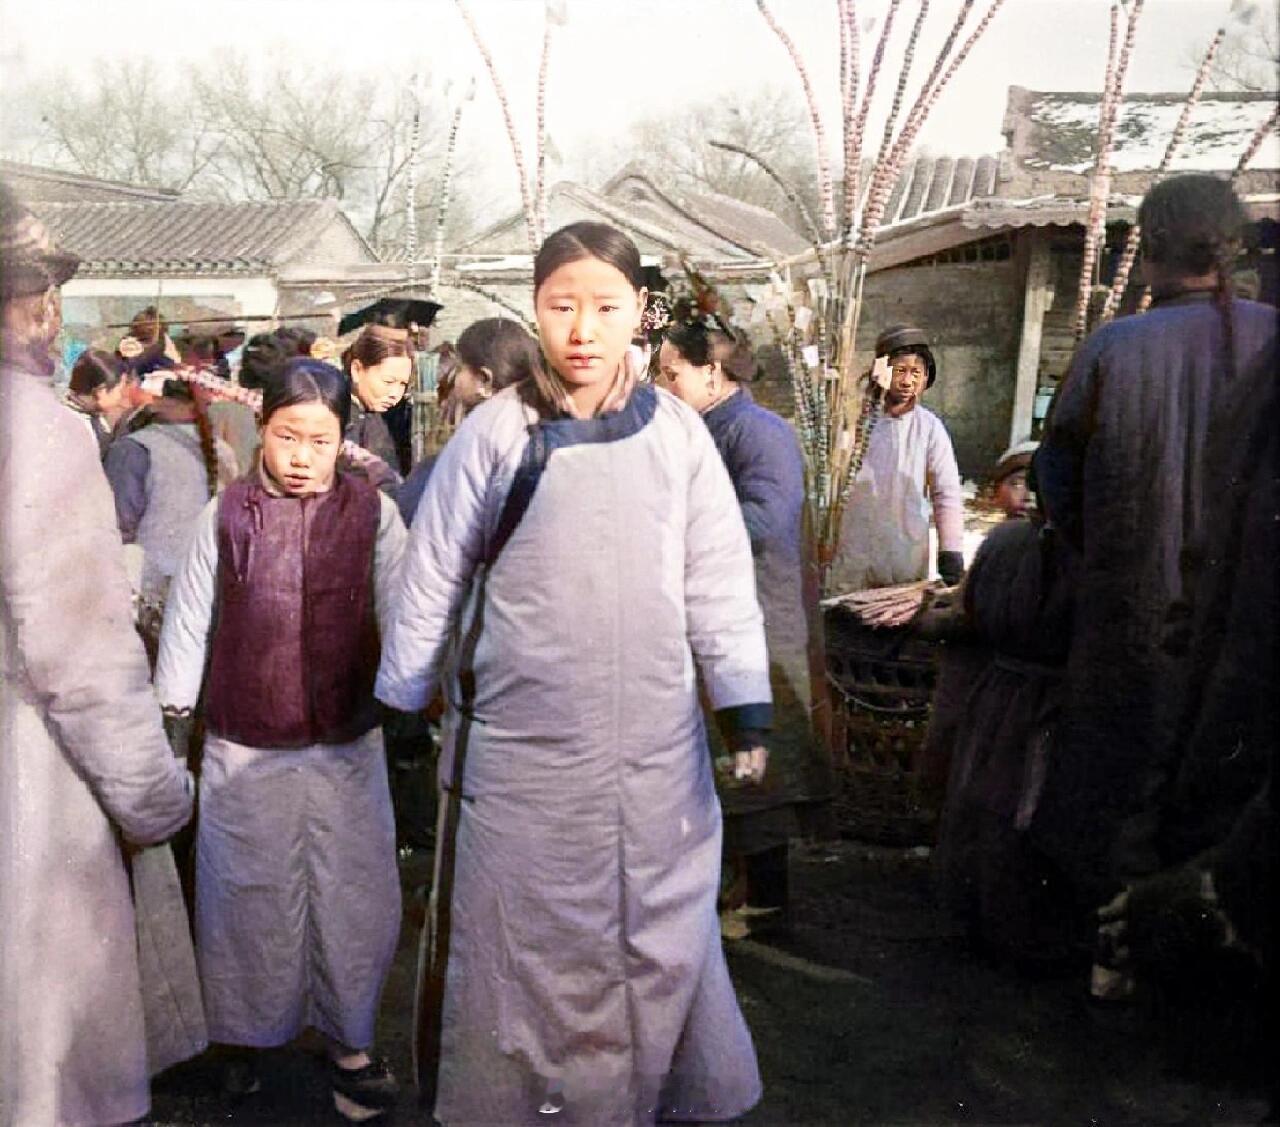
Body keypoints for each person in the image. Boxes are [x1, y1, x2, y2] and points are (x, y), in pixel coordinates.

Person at [376, 221, 770, 1124]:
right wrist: (402, 693)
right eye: (562, 307)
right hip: (524, 766)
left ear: (641, 314)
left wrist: (745, 706)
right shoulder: (496, 433)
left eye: (605, 307)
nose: (583, 329)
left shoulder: (677, 435)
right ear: (535, 311)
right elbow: (433, 569)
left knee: (654, 942)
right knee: (528, 951)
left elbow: (715, 581)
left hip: (654, 759)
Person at [154, 359, 406, 1120]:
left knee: (350, 893)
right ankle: (243, 1036)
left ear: (342, 441)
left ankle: (348, 1036)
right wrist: (173, 720)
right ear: (261, 429)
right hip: (245, 745)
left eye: (320, 441)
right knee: (245, 894)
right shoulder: (225, 514)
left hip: (345, 743)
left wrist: (416, 698)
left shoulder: (374, 515)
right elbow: (189, 621)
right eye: (287, 436)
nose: (301, 456)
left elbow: (403, 613)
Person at [1, 182, 196, 1127]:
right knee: (40, 1061)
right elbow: (77, 654)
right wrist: (153, 796)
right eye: (38, 299)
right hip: (23, 781)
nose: (52, 324)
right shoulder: (36, 429)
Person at [1032, 173, 1279, 908]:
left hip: (1132, 615)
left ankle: (1114, 950)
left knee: (1119, 793)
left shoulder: (1116, 348)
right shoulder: (1272, 338)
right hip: (1247, 631)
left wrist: (1106, 558)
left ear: (1147, 255)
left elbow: (1057, 481)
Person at [658, 318, 835, 933]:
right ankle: (737, 886)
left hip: (760, 622)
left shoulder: (760, 434)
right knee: (722, 759)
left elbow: (766, 514)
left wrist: (681, 528)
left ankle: (767, 901)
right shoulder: (700, 430)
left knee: (758, 766)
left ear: (713, 372)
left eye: (671, 373)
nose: (663, 385)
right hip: (719, 617)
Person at [917, 441, 1084, 968]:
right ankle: (1018, 931)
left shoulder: (1008, 542)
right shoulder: (1089, 554)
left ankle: (978, 919)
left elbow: (968, 616)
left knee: (988, 802)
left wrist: (931, 618)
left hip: (1003, 695)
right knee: (1020, 810)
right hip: (1048, 699)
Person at [828, 323, 965, 593]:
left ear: (926, 378)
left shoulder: (929, 429)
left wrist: (951, 552)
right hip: (852, 550)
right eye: (900, 371)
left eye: (916, 372)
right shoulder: (853, 421)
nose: (907, 381)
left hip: (904, 553)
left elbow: (946, 493)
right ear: (881, 371)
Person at [104, 379, 235, 657]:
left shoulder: (134, 449)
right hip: (208, 594)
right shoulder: (224, 451)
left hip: (147, 600)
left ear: (158, 402)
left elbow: (115, 529)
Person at [395, 316, 541, 526]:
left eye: (461, 367)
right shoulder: (544, 439)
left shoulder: (463, 455)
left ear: (484, 380)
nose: (456, 379)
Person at [342, 322, 412, 484]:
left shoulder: (375, 415)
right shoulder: (337, 417)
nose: (395, 394)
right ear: (357, 370)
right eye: (388, 382)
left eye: (403, 384)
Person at [63, 347, 135, 457]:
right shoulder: (77, 431)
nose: (122, 396)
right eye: (120, 390)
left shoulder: (92, 417)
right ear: (101, 392)